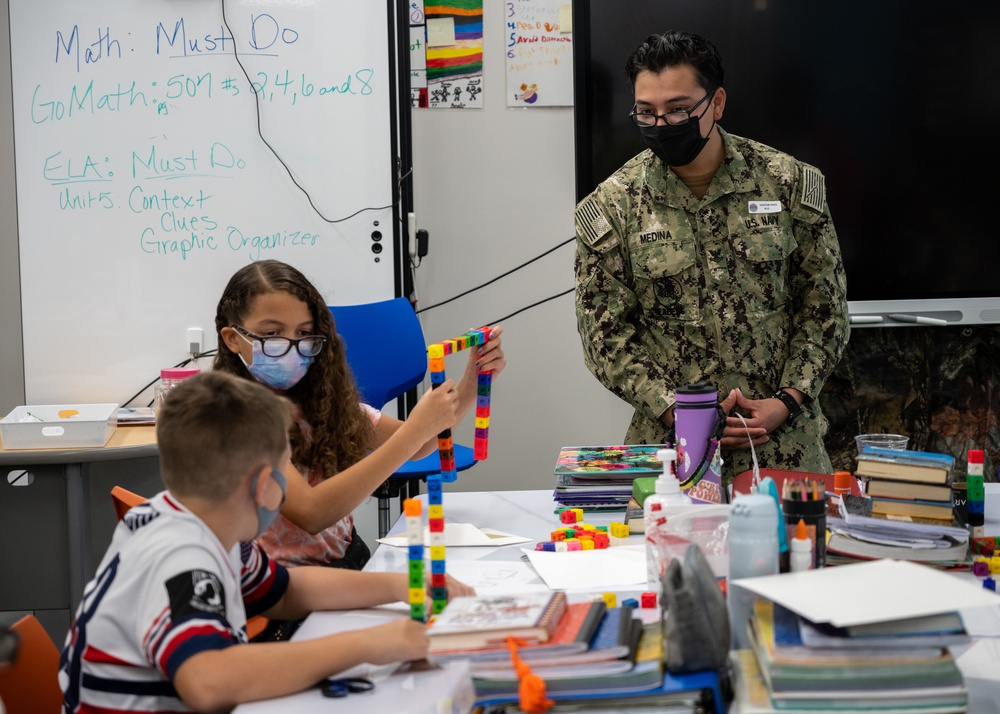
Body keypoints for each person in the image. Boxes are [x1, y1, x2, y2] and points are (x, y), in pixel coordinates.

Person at [59, 371, 474, 712]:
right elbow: (209, 681)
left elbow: (287, 590)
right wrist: (368, 644)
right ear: (264, 486)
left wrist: (408, 585)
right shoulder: (180, 555)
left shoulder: (196, 523)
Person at [574, 30, 849, 482]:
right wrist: (675, 412)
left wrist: (788, 400)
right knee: (665, 553)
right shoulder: (612, 207)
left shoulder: (789, 184)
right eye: (647, 112)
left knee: (796, 553)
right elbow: (606, 338)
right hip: (674, 450)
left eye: (679, 109)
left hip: (784, 444)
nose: (662, 124)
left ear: (716, 104)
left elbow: (825, 307)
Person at [214, 260, 505, 570]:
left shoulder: (320, 400)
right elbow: (311, 513)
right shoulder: (235, 418)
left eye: (305, 333)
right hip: (283, 581)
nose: (292, 346)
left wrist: (472, 383)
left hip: (346, 556)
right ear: (233, 339)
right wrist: (413, 432)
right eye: (272, 333)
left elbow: (422, 445)